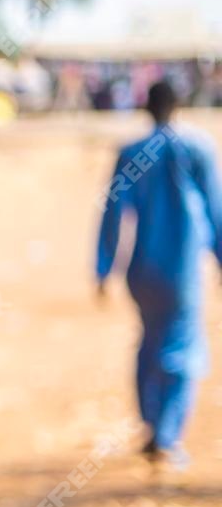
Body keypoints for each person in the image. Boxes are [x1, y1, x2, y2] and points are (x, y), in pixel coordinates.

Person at [95, 80, 222, 468]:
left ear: (146, 107)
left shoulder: (131, 152)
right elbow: (216, 210)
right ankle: (167, 437)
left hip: (142, 270)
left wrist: (104, 268)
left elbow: (113, 213)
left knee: (150, 342)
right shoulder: (198, 148)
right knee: (181, 348)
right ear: (179, 104)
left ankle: (152, 425)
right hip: (183, 269)